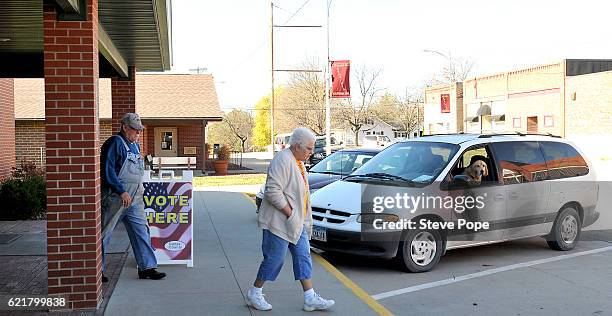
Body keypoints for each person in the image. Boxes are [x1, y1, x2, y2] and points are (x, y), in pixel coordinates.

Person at [246, 128, 335, 312]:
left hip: (297, 222)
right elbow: (272, 191)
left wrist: (300, 218)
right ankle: (255, 292)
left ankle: (310, 298)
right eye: (309, 149)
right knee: (275, 259)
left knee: (303, 257)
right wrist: (290, 213)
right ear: (296, 146)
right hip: (280, 222)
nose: (312, 152)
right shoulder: (283, 160)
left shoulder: (298, 161)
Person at [100, 113, 166, 281]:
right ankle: (97, 271)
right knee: (105, 233)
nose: (138, 134)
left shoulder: (135, 146)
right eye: (135, 130)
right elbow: (107, 171)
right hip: (117, 197)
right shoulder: (115, 143)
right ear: (125, 127)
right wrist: (121, 191)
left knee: (141, 231)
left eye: (139, 131)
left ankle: (147, 267)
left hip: (135, 198)